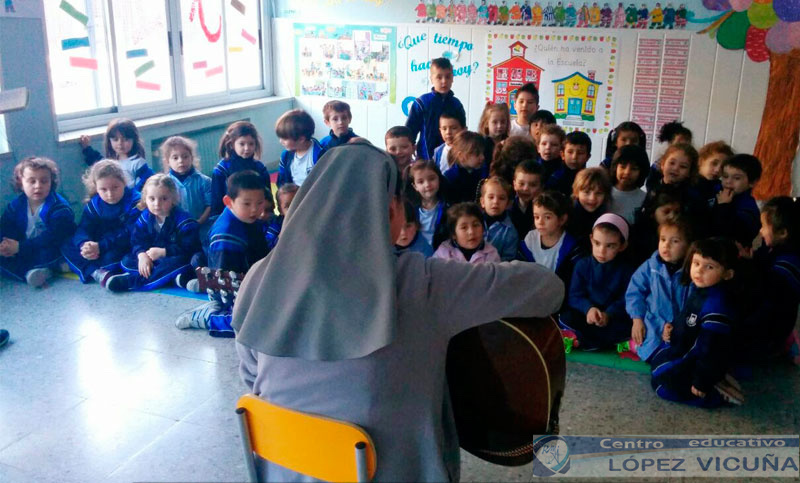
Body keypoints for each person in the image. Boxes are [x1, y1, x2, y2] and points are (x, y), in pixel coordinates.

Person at [232, 140, 564, 482]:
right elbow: (548, 289)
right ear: (393, 210)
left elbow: (251, 376)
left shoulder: (259, 275)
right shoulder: (421, 281)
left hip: (283, 469)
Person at [650, 237, 743, 407]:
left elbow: (711, 349)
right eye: (696, 263)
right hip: (685, 351)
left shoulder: (716, 305)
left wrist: (701, 381)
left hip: (696, 360)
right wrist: (672, 328)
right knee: (657, 371)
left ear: (727, 274)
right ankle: (717, 378)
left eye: (709, 267)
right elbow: (688, 318)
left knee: (661, 387)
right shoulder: (700, 289)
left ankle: (716, 395)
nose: (699, 271)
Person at [175, 171, 270, 334]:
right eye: (247, 204)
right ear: (228, 202)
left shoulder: (249, 219)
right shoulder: (226, 235)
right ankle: (208, 316)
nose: (255, 209)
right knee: (256, 326)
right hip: (230, 291)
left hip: (250, 282)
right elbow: (225, 282)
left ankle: (202, 286)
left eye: (260, 203)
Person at [106, 174, 201, 292]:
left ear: (173, 199)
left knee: (180, 262)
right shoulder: (145, 217)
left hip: (173, 257)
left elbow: (191, 247)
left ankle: (131, 281)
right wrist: (142, 255)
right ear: (145, 199)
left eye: (164, 199)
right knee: (127, 260)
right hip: (153, 259)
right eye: (152, 199)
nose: (157, 204)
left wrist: (164, 252)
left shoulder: (184, 220)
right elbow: (137, 241)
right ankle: (177, 279)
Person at [735, 197, 800, 362]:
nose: (760, 232)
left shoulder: (787, 266)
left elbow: (767, 298)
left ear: (783, 233)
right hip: (775, 317)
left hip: (772, 328)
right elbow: (764, 261)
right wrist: (751, 258)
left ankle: (780, 345)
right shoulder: (775, 247)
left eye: (764, 226)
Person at [560, 213, 635, 350]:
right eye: (597, 243)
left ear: (622, 246)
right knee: (566, 317)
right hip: (587, 317)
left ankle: (584, 341)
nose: (602, 251)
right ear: (591, 239)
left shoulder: (626, 270)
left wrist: (608, 314)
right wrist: (588, 309)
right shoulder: (582, 265)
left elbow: (626, 299)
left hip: (611, 319)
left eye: (610, 246)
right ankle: (594, 341)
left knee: (629, 326)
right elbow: (575, 296)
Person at [62, 160, 141, 286]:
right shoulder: (94, 205)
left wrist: (101, 246)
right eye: (103, 189)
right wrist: (85, 244)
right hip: (98, 246)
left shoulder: (135, 202)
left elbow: (130, 233)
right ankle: (96, 272)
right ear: (96, 188)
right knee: (67, 244)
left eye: (115, 187)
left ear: (124, 183)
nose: (110, 194)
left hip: (120, 245)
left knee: (114, 258)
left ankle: (85, 267)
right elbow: (83, 228)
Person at [0, 156, 76, 287]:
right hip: (26, 247)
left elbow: (54, 237)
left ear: (51, 182)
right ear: (21, 183)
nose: (38, 186)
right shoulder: (16, 205)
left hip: (51, 246)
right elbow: (6, 226)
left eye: (44, 181)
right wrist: (5, 245)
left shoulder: (59, 207)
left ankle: (50, 268)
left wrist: (20, 247)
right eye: (32, 181)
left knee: (53, 254)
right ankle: (34, 272)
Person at [625, 216, 692, 362]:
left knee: (681, 355)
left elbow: (693, 304)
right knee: (650, 351)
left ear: (688, 246)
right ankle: (632, 345)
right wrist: (637, 319)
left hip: (680, 326)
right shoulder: (650, 267)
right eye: (663, 239)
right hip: (653, 323)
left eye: (675, 241)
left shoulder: (691, 272)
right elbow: (634, 293)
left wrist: (678, 325)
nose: (666, 245)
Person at [406, 57, 467, 160]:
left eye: (448, 77)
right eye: (439, 77)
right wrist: (410, 147)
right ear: (431, 79)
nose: (444, 81)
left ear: (452, 78)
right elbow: (410, 130)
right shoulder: (422, 103)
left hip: (452, 159)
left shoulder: (456, 104)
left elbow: (462, 132)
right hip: (425, 158)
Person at [519, 190, 582, 288]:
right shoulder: (530, 240)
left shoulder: (571, 248)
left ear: (562, 219)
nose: (540, 222)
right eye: (536, 217)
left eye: (547, 217)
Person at [211, 120, 271, 215]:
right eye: (242, 144)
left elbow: (268, 198)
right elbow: (217, 203)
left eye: (251, 144)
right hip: (232, 216)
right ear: (232, 144)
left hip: (256, 215)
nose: (247, 148)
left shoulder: (260, 168)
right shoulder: (221, 170)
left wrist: (267, 212)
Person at [79, 118, 154, 192]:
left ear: (134, 140)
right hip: (112, 195)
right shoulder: (112, 160)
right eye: (115, 139)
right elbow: (98, 163)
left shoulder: (137, 163)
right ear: (109, 141)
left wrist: (130, 196)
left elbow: (146, 183)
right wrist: (87, 148)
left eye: (125, 139)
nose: (120, 143)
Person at [710, 154, 762, 248]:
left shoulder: (748, 207)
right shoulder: (716, 189)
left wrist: (723, 206)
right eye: (725, 176)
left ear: (752, 182)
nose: (728, 181)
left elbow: (736, 233)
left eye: (737, 178)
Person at [162, 136, 212, 226]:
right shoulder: (164, 184)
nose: (181, 161)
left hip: (202, 228)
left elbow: (210, 205)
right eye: (175, 158)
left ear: (192, 158)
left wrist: (199, 222)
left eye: (185, 157)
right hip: (176, 229)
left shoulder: (205, 181)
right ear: (168, 161)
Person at [433, 202, 500, 263]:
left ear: (483, 229)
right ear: (453, 234)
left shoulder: (491, 254)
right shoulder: (443, 253)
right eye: (464, 227)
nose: (471, 232)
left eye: (475, 225)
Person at [406, 159, 448, 249]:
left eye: (432, 179)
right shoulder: (410, 209)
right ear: (415, 186)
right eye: (421, 182)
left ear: (439, 179)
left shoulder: (448, 207)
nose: (427, 185)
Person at [276, 110, 323, 188]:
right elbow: (282, 180)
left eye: (284, 138)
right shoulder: (286, 156)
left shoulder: (320, 155)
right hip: (293, 193)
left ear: (301, 139)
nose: (281, 141)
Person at [567, 167, 611, 251]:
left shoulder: (605, 217)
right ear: (577, 192)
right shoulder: (567, 216)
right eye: (587, 192)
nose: (592, 198)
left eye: (598, 193)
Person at [442, 131, 488, 204]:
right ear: (461, 156)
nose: (482, 157)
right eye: (477, 154)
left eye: (483, 153)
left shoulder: (483, 172)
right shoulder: (450, 178)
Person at [479, 176, 519, 261]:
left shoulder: (510, 232)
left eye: (501, 198)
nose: (496, 202)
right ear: (482, 202)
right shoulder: (473, 222)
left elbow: (508, 260)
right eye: (491, 197)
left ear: (508, 204)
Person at [608, 144, 649, 224]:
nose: (627, 172)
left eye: (634, 169)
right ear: (615, 167)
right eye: (622, 167)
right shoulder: (604, 193)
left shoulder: (644, 199)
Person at [547, 130, 591, 196]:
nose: (574, 157)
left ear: (588, 157)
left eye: (580, 153)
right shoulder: (554, 178)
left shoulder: (590, 180)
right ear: (562, 155)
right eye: (570, 152)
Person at [509, 158, 544, 238]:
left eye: (532, 185)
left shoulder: (546, 210)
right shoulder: (507, 207)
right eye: (521, 184)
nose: (525, 189)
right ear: (514, 184)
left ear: (541, 187)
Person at [695, 141, 733, 208]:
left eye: (723, 167)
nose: (717, 170)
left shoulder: (721, 188)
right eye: (714, 163)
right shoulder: (690, 185)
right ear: (701, 161)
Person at [265, 183, 299, 252]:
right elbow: (268, 246)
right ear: (280, 210)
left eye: (298, 203)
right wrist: (281, 235)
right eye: (288, 206)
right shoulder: (276, 226)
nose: (294, 208)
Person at [434, 108, 467, 174]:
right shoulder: (438, 151)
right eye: (444, 129)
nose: (448, 132)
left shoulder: (469, 149)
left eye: (453, 128)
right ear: (440, 130)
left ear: (464, 129)